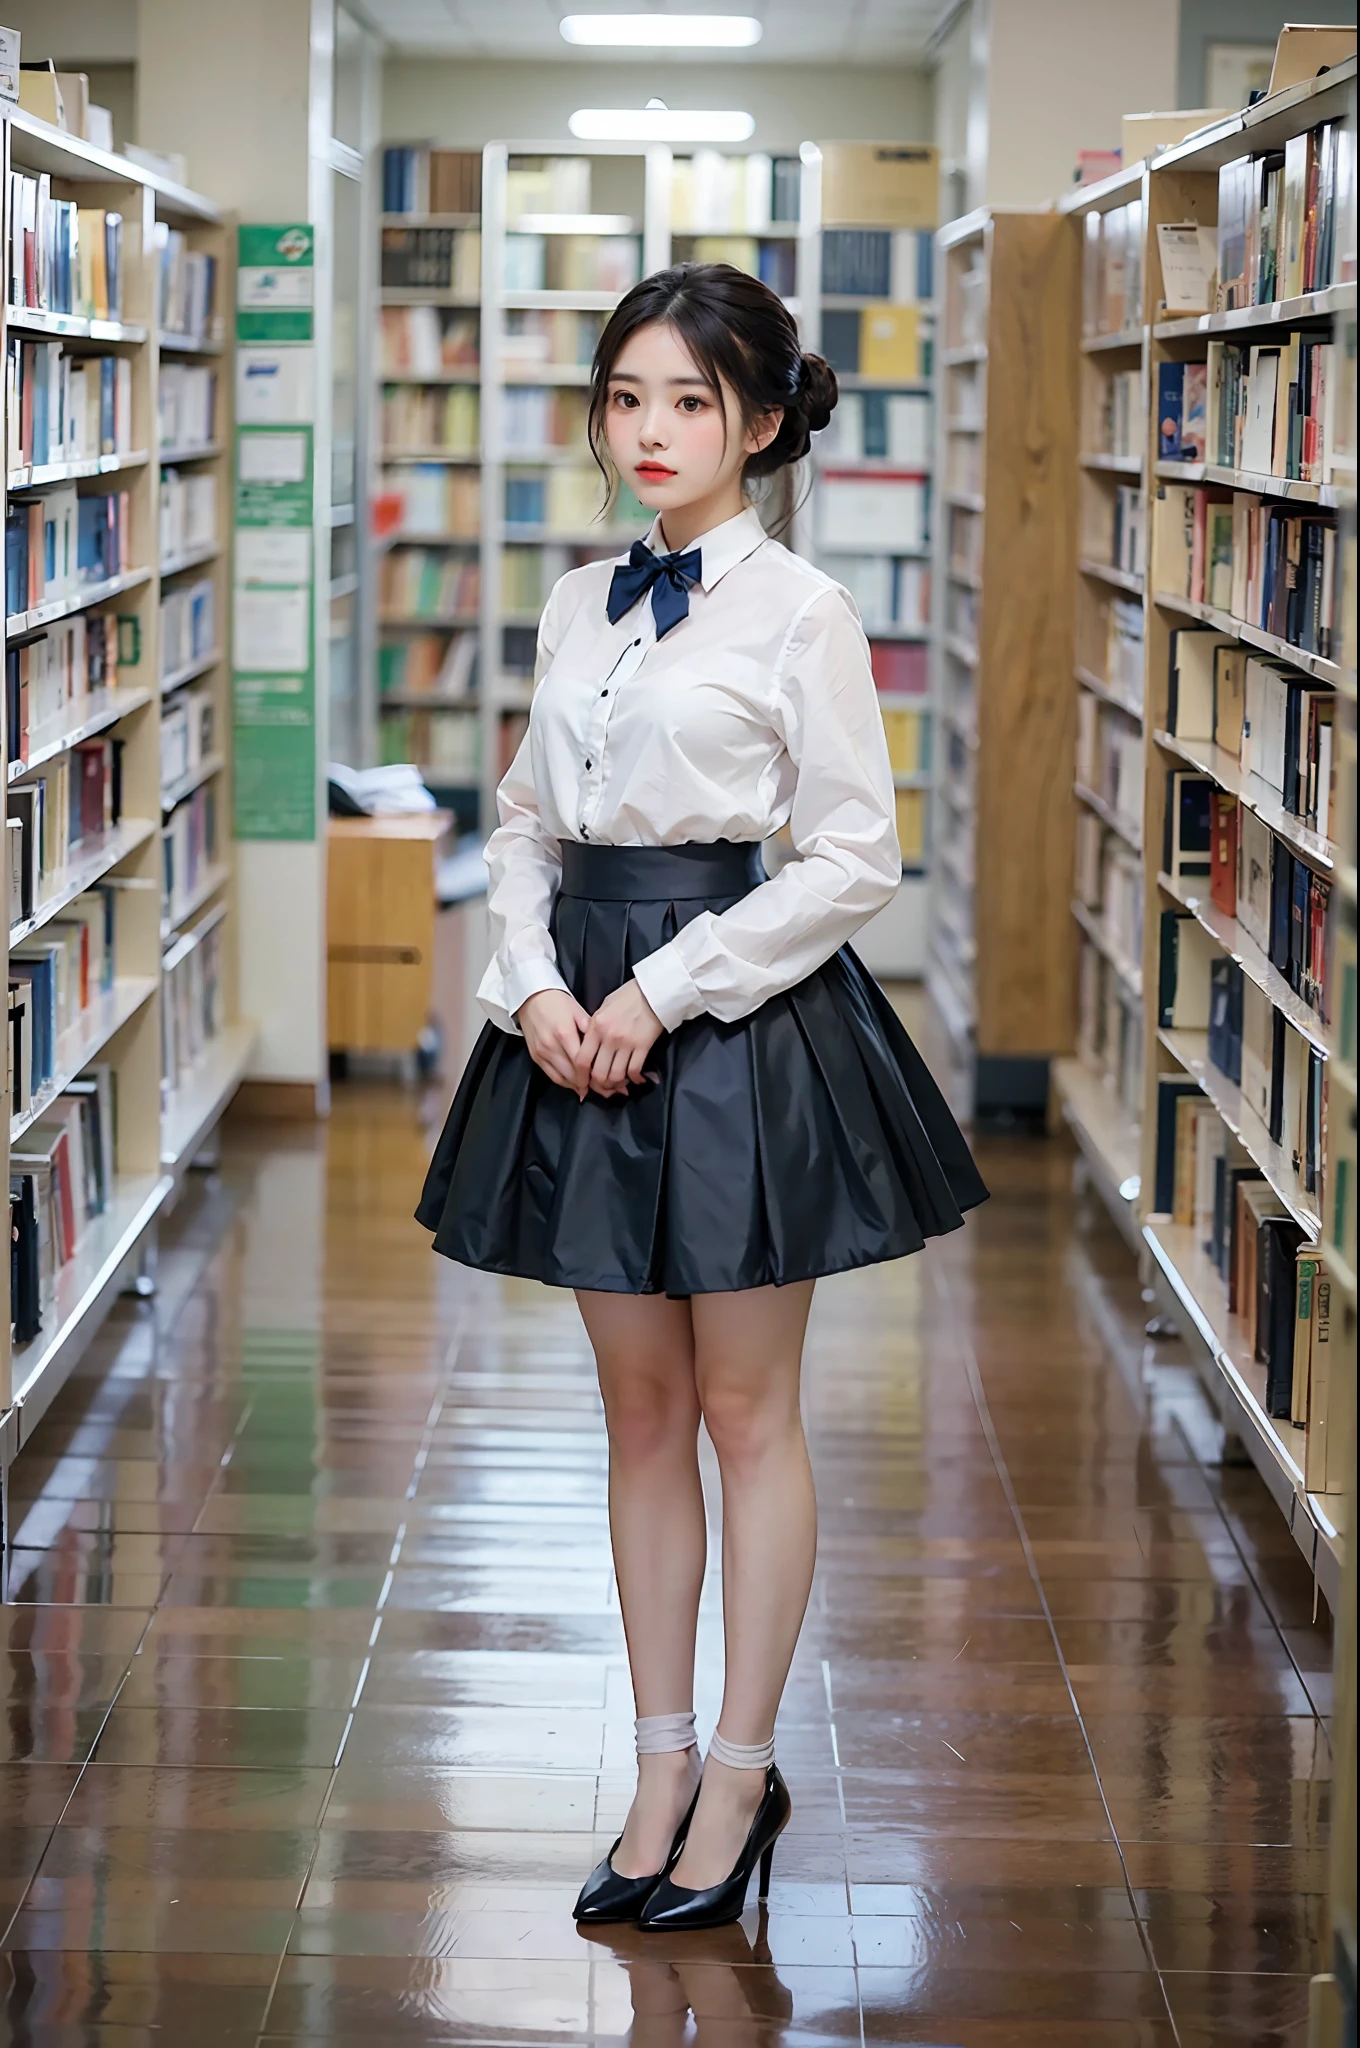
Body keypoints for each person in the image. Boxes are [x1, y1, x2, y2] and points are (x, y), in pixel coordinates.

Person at [417, 262, 987, 1932]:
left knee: (748, 1413)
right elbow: (523, 817)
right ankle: (658, 1762)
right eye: (625, 398)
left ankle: (742, 1771)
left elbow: (853, 857)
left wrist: (661, 991)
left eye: (687, 401)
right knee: (639, 1414)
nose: (651, 431)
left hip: (735, 1023)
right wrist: (530, 986)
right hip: (573, 1020)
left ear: (757, 420)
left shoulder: (802, 609)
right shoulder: (576, 601)